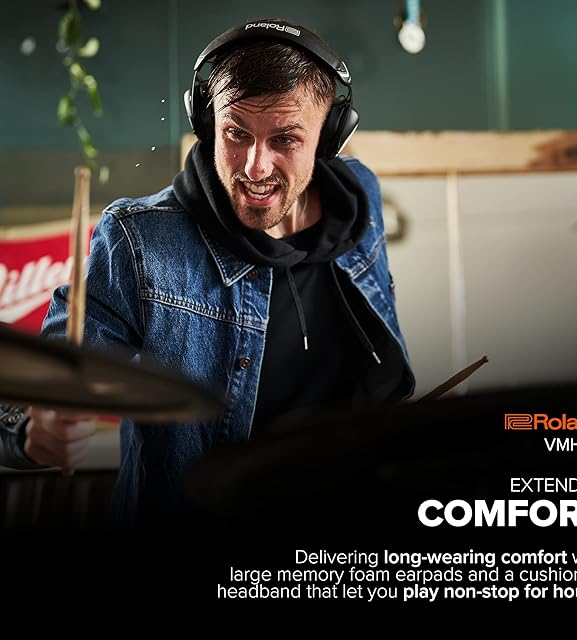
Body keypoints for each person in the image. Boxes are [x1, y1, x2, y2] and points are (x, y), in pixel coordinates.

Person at [0, 18, 414, 528]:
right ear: (206, 121)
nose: (255, 166)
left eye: (285, 139)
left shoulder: (359, 197)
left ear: (330, 135)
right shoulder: (139, 241)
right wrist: (33, 431)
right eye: (236, 133)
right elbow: (33, 388)